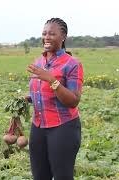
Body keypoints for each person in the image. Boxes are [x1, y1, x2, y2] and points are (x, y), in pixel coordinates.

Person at [26, 18, 83, 180]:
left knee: (62, 176)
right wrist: (28, 98)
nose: (47, 37)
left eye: (52, 33)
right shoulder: (39, 61)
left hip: (63, 128)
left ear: (63, 36)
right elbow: (44, 93)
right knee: (40, 176)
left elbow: (73, 101)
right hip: (38, 126)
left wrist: (51, 80)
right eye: (44, 33)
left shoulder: (72, 64)